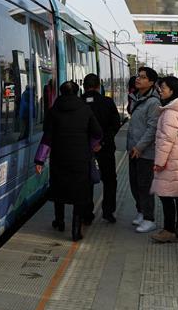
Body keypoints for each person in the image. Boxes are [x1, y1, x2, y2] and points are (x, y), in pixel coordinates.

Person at [35, 80, 102, 241]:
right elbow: (98, 133)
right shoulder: (85, 109)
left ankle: (59, 222)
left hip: (59, 158)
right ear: (77, 92)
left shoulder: (53, 111)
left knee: (59, 190)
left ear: (61, 92)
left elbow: (47, 138)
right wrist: (91, 146)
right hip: (80, 158)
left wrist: (39, 160)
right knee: (79, 194)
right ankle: (75, 231)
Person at [149, 76, 178, 243]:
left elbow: (165, 141)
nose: (160, 91)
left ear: (173, 90)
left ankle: (168, 230)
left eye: (164, 88)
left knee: (166, 195)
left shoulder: (170, 113)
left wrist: (160, 162)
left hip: (171, 160)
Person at [82, 73, 122, 223]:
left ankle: (87, 213)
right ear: (99, 86)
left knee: (86, 180)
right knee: (110, 180)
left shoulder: (80, 103)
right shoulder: (107, 102)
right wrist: (102, 142)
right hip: (105, 149)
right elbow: (115, 125)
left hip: (85, 150)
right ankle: (108, 212)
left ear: (84, 87)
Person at [126, 66, 161, 233]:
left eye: (143, 77)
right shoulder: (136, 98)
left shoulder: (153, 102)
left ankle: (149, 218)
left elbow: (152, 128)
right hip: (133, 150)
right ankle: (141, 211)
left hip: (145, 152)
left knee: (145, 185)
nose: (138, 79)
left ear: (152, 82)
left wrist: (139, 147)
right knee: (134, 184)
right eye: (138, 76)